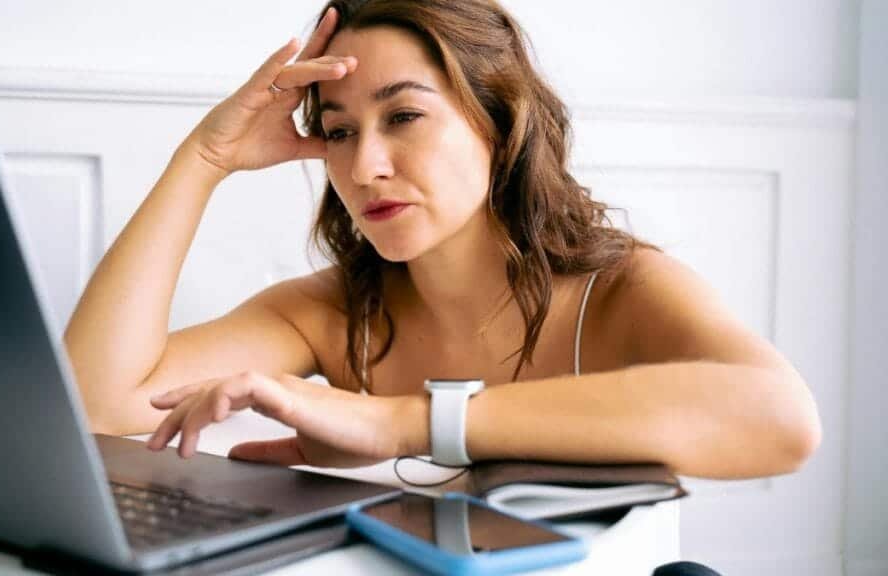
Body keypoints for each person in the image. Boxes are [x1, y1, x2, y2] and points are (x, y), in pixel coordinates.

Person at [64, 0, 822, 480]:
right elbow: (98, 404)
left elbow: (781, 419)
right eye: (339, 132)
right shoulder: (330, 312)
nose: (364, 167)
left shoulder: (620, 290)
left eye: (403, 117)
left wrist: (398, 423)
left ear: (498, 119)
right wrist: (205, 159)